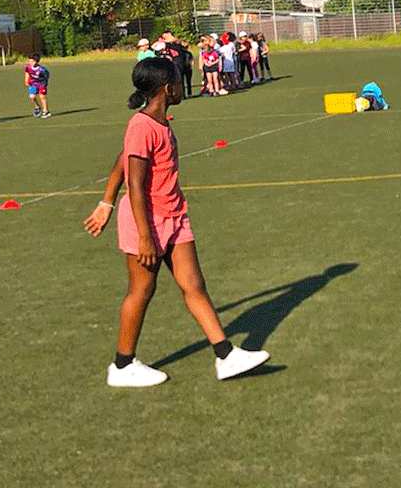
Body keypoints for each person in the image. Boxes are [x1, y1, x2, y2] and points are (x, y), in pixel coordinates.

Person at [82, 58, 270, 387]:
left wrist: (105, 201)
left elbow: (121, 160)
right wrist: (143, 236)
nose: (183, 86)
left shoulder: (159, 123)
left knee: (194, 286)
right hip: (147, 220)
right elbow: (135, 184)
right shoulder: (141, 126)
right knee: (141, 290)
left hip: (175, 215)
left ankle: (226, 355)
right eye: (179, 82)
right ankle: (123, 366)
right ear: (167, 88)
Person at [161, 31, 193, 98]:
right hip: (174, 63)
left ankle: (184, 94)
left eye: (165, 36)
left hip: (180, 64)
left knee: (181, 80)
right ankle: (179, 94)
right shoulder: (168, 44)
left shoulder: (177, 44)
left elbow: (182, 44)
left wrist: (170, 40)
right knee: (176, 80)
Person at [24, 52, 51, 118]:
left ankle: (45, 111)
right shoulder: (28, 67)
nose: (30, 62)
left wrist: (45, 83)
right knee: (32, 97)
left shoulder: (41, 70)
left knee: (42, 97)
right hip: (33, 83)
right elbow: (27, 73)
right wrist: (26, 80)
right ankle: (37, 107)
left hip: (41, 84)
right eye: (29, 61)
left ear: (36, 61)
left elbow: (47, 75)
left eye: (32, 61)